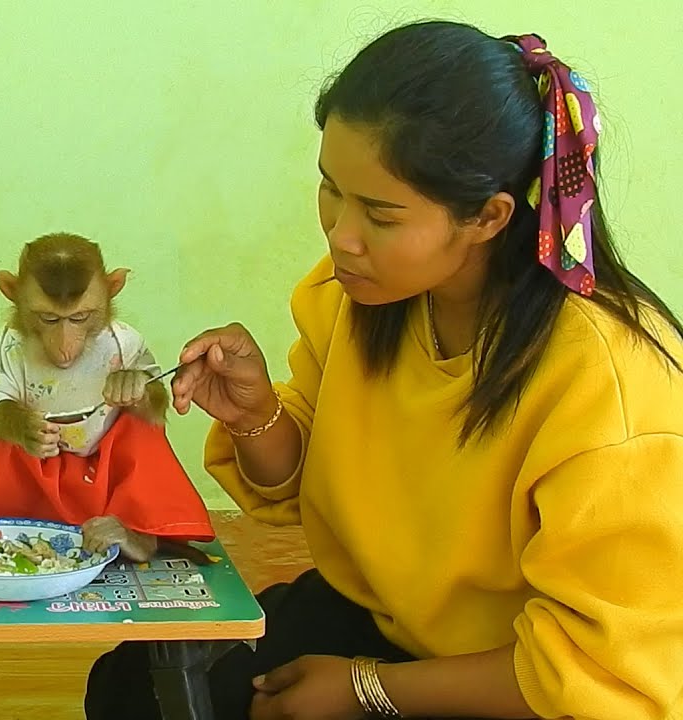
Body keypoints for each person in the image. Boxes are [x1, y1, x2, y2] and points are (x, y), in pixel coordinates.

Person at [84, 19, 683, 720]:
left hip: (527, 682)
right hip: (388, 619)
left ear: (488, 217)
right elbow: (309, 480)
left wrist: (368, 689)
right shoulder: (359, 298)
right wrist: (256, 417)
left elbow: (603, 672)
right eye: (330, 188)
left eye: (381, 214)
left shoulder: (607, 387)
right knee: (137, 687)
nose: (341, 235)